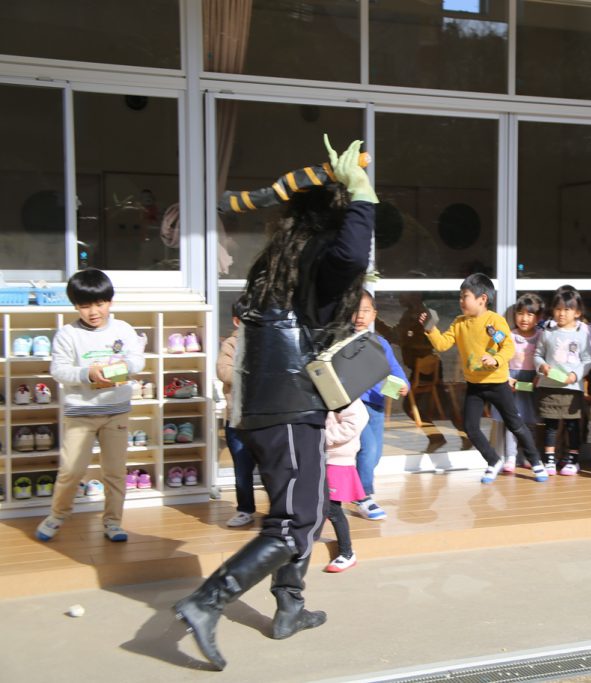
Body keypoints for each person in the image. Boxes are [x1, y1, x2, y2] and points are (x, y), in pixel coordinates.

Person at [172, 137, 377, 671]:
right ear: (334, 214)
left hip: (270, 410)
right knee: (294, 519)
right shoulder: (320, 257)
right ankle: (207, 601)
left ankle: (290, 606)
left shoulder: (279, 262)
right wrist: (363, 195)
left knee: (306, 508)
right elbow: (352, 254)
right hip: (289, 410)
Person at [35, 268, 145, 543]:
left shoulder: (123, 329)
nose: (93, 311)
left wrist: (122, 368)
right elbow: (59, 370)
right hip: (80, 414)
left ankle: (113, 522)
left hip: (116, 412)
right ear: (75, 306)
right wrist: (88, 374)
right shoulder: (67, 334)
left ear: (110, 301)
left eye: (99, 304)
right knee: (71, 470)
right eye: (85, 306)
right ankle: (57, 515)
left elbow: (137, 361)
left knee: (115, 472)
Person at [419, 273, 548, 483]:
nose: (461, 301)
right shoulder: (459, 323)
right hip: (475, 386)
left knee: (515, 424)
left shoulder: (494, 321)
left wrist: (495, 360)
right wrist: (431, 329)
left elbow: (507, 347)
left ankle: (535, 462)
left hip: (497, 384)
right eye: (460, 297)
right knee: (470, 428)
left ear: (482, 299)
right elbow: (442, 344)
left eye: (465, 296)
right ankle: (493, 461)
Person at [350, 290, 409, 521]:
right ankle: (363, 496)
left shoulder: (380, 343)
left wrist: (403, 385)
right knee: (369, 448)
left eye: (365, 311)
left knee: (375, 454)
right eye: (355, 311)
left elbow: (395, 370)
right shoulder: (343, 342)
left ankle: (351, 487)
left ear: (374, 314)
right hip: (354, 406)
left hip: (376, 405)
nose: (360, 316)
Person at [534, 287, 591, 476]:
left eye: (567, 309)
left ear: (577, 312)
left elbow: (588, 360)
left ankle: (573, 460)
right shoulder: (548, 331)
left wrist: (575, 376)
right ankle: (549, 459)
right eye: (558, 309)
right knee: (550, 424)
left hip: (572, 387)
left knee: (572, 425)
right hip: (549, 385)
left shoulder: (583, 332)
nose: (561, 313)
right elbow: (538, 354)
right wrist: (542, 366)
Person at [216, 298, 256, 527]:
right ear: (236, 321)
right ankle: (245, 509)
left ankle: (278, 510)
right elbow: (224, 371)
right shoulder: (231, 344)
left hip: (262, 419)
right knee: (242, 468)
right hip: (237, 419)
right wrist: (251, 374)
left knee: (270, 467)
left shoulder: (266, 341)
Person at [495, 292, 545, 473]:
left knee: (530, 421)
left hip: (532, 381)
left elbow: (545, 357)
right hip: (512, 380)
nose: (524, 318)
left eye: (530, 314)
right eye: (520, 313)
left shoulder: (541, 336)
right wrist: (506, 377)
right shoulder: (509, 335)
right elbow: (499, 357)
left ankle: (528, 455)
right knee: (513, 419)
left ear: (538, 317)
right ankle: (510, 456)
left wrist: (540, 375)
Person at [323, 399, 369, 573]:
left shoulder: (348, 399)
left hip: (337, 459)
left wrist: (321, 436)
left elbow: (354, 423)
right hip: (318, 457)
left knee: (333, 509)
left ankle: (347, 553)